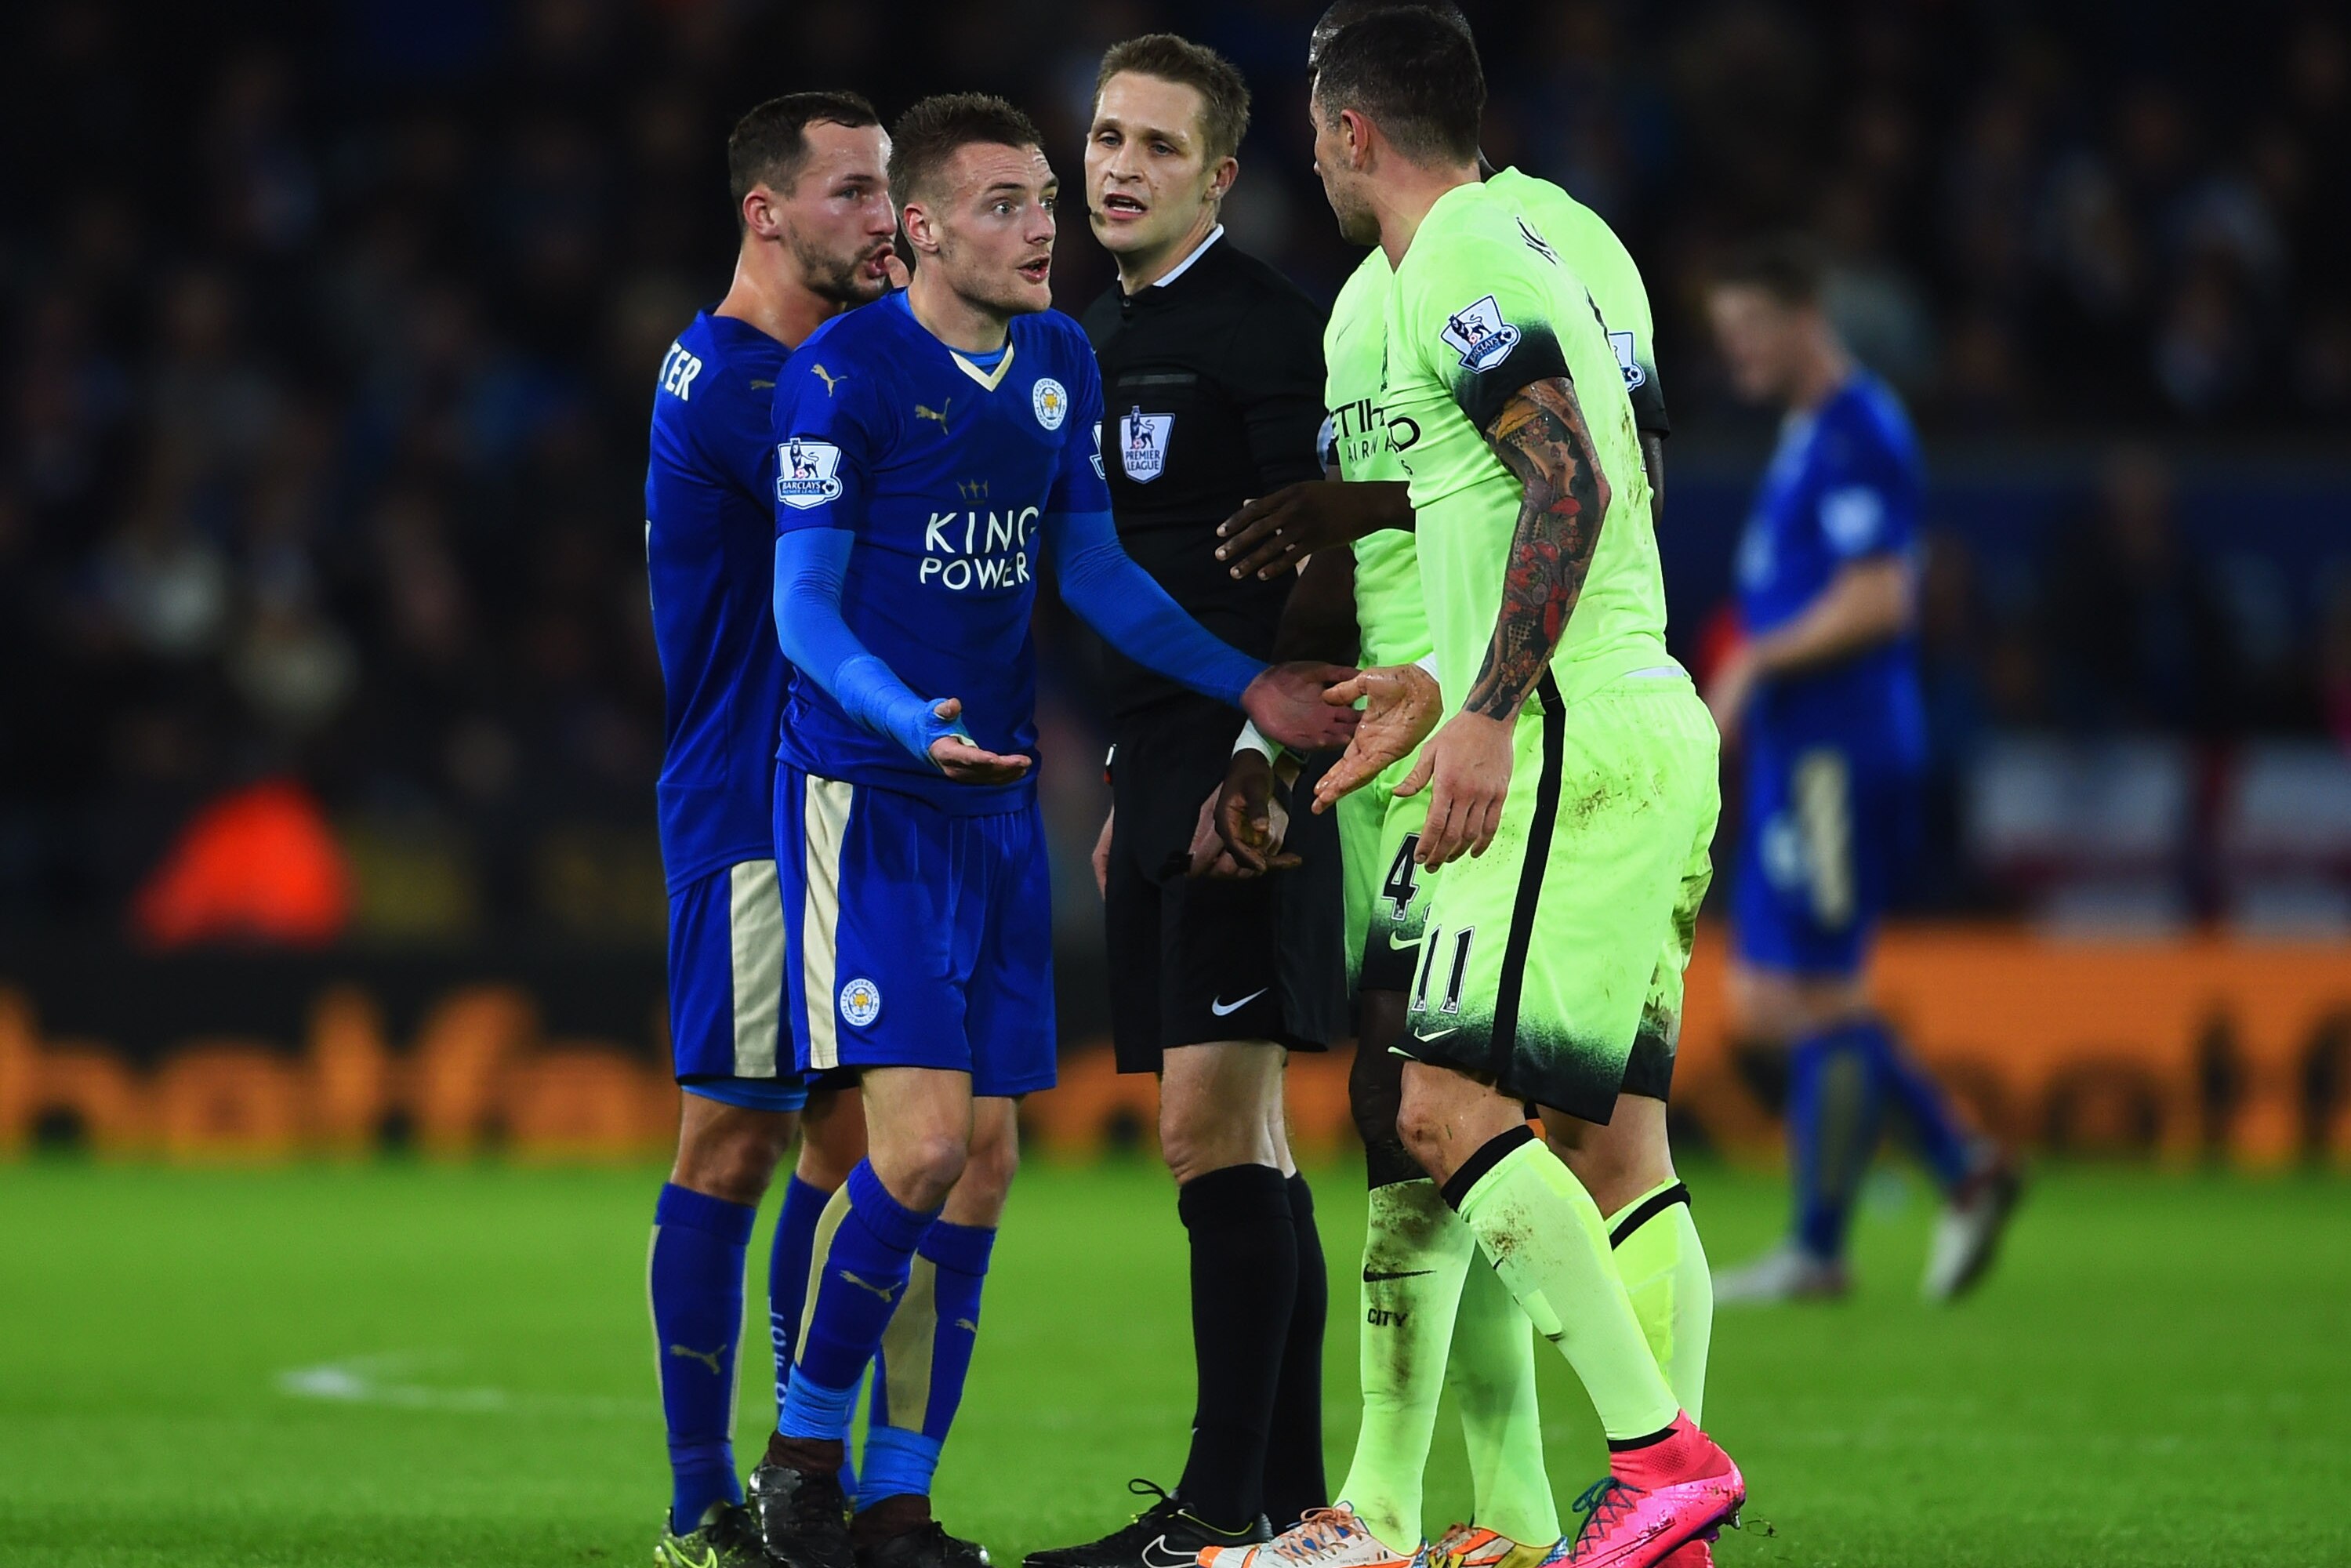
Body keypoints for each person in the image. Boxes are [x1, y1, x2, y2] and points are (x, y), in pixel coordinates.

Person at [748, 93, 1359, 1568]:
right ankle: (799, 1456)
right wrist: (908, 719)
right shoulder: (841, 376)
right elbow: (804, 609)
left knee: (983, 1167)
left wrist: (1247, 684)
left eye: (1043, 198)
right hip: (869, 800)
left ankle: (899, 1500)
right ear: (923, 230)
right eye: (1008, 205)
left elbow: (1092, 569)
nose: (1047, 226)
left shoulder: (1059, 362)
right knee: (915, 1150)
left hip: (996, 810)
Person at [1202, 6, 1717, 1566]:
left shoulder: (1460, 259)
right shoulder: (1541, 247)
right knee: (1618, 1146)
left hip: (1559, 732)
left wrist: (1488, 706)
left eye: (1312, 124)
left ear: (1353, 130)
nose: (1309, 153)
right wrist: (1448, 679)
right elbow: (1600, 479)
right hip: (1617, 709)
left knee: (1432, 1106)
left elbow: (1572, 477)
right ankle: (1643, 1526)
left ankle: (1657, 1466)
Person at [1025, 36, 1343, 1568]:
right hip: (1158, 766)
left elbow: (1331, 557)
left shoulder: (1271, 331)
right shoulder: (1092, 335)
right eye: (1106, 137)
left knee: (1210, 1130)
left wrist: (1261, 765)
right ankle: (1292, 1509)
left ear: (1220, 176)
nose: (1120, 167)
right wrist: (1127, 781)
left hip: (1246, 765)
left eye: (1158, 145)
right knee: (1246, 1143)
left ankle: (1224, 1507)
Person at [641, 91, 896, 1568]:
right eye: (852, 191)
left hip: (839, 797)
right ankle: (701, 1507)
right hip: (750, 801)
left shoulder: (792, 366)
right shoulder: (746, 386)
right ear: (767, 212)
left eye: (888, 190)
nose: (884, 218)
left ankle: (808, 1481)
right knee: (734, 1137)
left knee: (851, 1138)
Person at [1700, 237, 2020, 1305]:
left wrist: (1754, 661)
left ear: (1806, 318)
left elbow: (1882, 596)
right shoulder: (1806, 432)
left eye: (1751, 332)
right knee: (1766, 1000)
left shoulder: (1860, 428)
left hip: (1839, 751)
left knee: (1822, 990)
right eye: (1727, 336)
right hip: (1803, 753)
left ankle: (1839, 1236)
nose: (1738, 355)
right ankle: (1947, 1171)